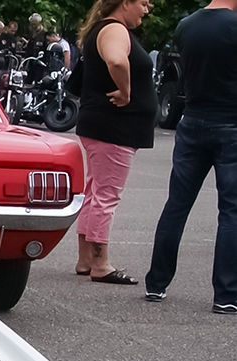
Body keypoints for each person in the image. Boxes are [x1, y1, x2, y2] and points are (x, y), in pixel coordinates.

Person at [144, 0, 237, 311]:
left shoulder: (186, 25)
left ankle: (157, 283)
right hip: (231, 123)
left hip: (193, 119)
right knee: (231, 211)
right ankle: (225, 295)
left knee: (177, 204)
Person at [73, 0, 155, 283]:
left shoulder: (102, 28)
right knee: (106, 195)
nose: (147, 9)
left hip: (102, 124)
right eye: (143, 3)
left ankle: (86, 259)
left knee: (96, 191)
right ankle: (100, 263)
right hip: (114, 127)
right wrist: (126, 91)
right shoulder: (115, 30)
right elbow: (117, 60)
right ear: (125, 3)